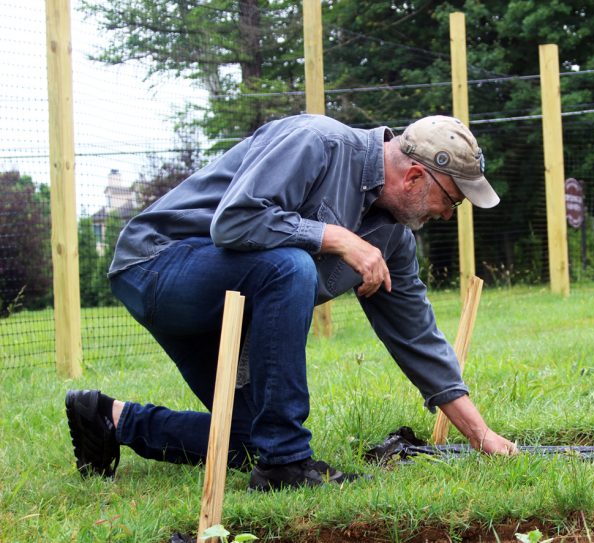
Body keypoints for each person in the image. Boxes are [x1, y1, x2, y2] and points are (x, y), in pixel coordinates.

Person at [65, 114, 517, 491]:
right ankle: (286, 464)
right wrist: (334, 236)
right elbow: (234, 222)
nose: (446, 215)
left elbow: (416, 336)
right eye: (451, 200)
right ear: (416, 175)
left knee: (247, 439)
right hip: (159, 264)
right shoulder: (316, 142)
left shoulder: (392, 239)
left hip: (225, 304)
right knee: (290, 266)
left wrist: (482, 437)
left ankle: (111, 419)